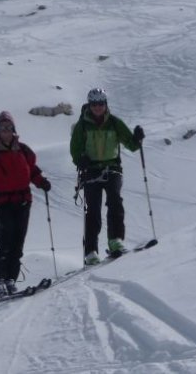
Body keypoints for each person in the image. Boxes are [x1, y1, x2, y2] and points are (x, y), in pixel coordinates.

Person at [0, 111, 51, 299]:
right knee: (5, 240)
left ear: (14, 130)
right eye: (2, 128)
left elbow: (32, 170)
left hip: (23, 201)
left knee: (18, 242)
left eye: (9, 127)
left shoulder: (23, 150)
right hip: (3, 202)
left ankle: (10, 280)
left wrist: (41, 182)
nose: (6, 131)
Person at [69, 88, 144, 265]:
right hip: (91, 171)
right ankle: (90, 251)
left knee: (115, 201)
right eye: (94, 104)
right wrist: (81, 160)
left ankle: (115, 240)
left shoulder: (114, 122)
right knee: (92, 211)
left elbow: (132, 145)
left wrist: (138, 138)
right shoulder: (82, 126)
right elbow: (75, 149)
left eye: (101, 104)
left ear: (105, 104)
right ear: (89, 104)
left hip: (112, 168)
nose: (97, 107)